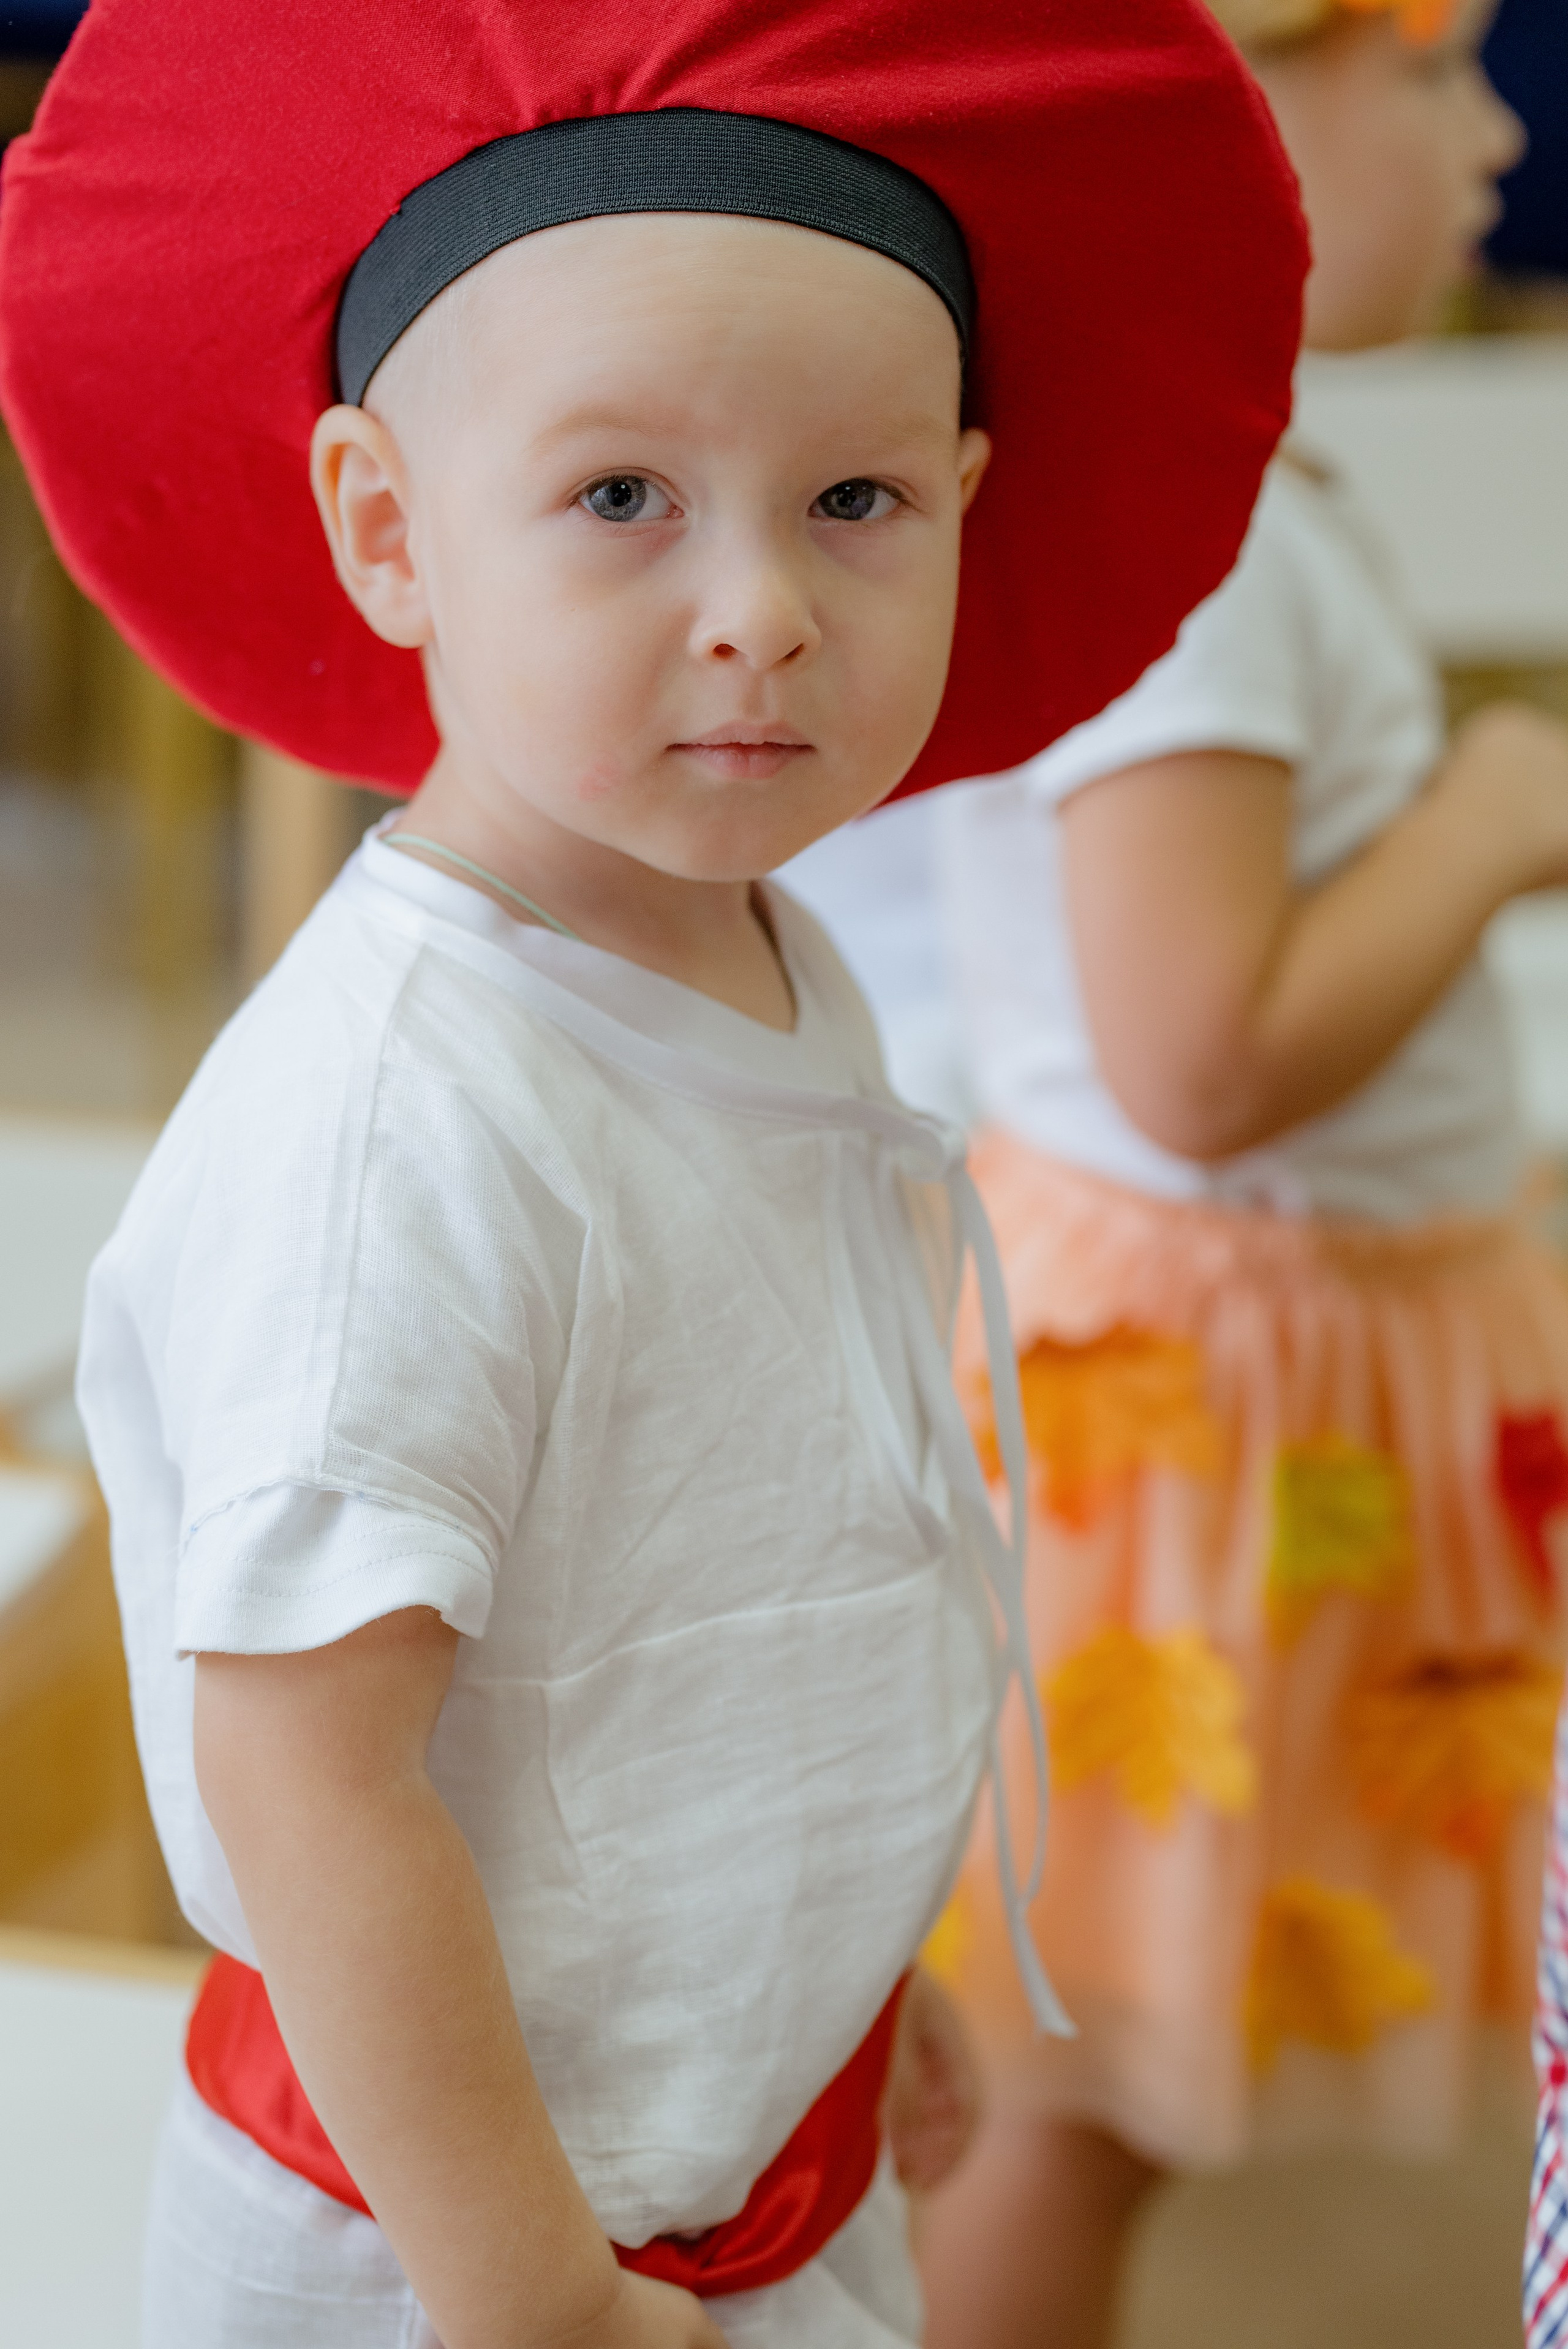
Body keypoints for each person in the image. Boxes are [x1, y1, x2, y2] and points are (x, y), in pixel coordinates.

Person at [0, 2, 1305, 2345]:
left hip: (735, 2153)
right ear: (388, 532)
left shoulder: (769, 954)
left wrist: (837, 1976)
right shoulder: (404, 1125)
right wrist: (537, 2294)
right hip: (445, 2238)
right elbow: (310, 1768)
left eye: (857, 502)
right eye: (622, 499)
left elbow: (741, 1569)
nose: (764, 605)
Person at [880, 7, 1568, 2347]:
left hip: (1274, 1381)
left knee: (1132, 2027)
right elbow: (1200, 1056)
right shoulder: (1216, 545)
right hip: (1209, 1405)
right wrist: (1495, 815)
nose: (1500, 132)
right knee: (1082, 2067)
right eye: (1435, 72)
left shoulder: (1248, 496)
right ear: (1244, 122)